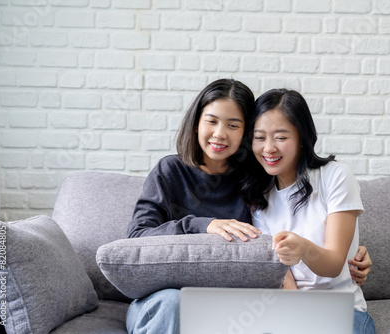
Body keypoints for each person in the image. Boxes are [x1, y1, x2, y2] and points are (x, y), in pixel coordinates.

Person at [126, 79, 372, 334]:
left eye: (233, 125)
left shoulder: (251, 185)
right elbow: (136, 238)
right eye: (211, 121)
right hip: (165, 299)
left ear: (244, 134)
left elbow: (273, 256)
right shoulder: (172, 172)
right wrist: (204, 225)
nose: (220, 133)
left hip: (233, 306)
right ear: (196, 122)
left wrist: (348, 252)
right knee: (171, 303)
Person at [241, 88, 376, 334]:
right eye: (259, 138)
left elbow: (334, 264)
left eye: (281, 137)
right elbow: (281, 275)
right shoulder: (258, 196)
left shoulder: (334, 176)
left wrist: (302, 248)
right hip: (290, 308)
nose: (269, 148)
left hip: (342, 310)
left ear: (302, 138)